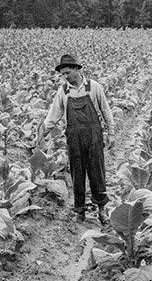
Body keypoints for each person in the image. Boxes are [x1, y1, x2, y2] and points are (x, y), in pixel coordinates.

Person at [38, 53, 115, 224]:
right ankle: (80, 211)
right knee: (77, 174)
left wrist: (111, 133)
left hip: (94, 136)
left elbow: (106, 111)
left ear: (76, 70)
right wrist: (42, 134)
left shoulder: (94, 87)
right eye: (62, 74)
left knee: (97, 173)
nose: (65, 77)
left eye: (67, 73)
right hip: (74, 138)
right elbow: (53, 116)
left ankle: (102, 211)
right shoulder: (63, 91)